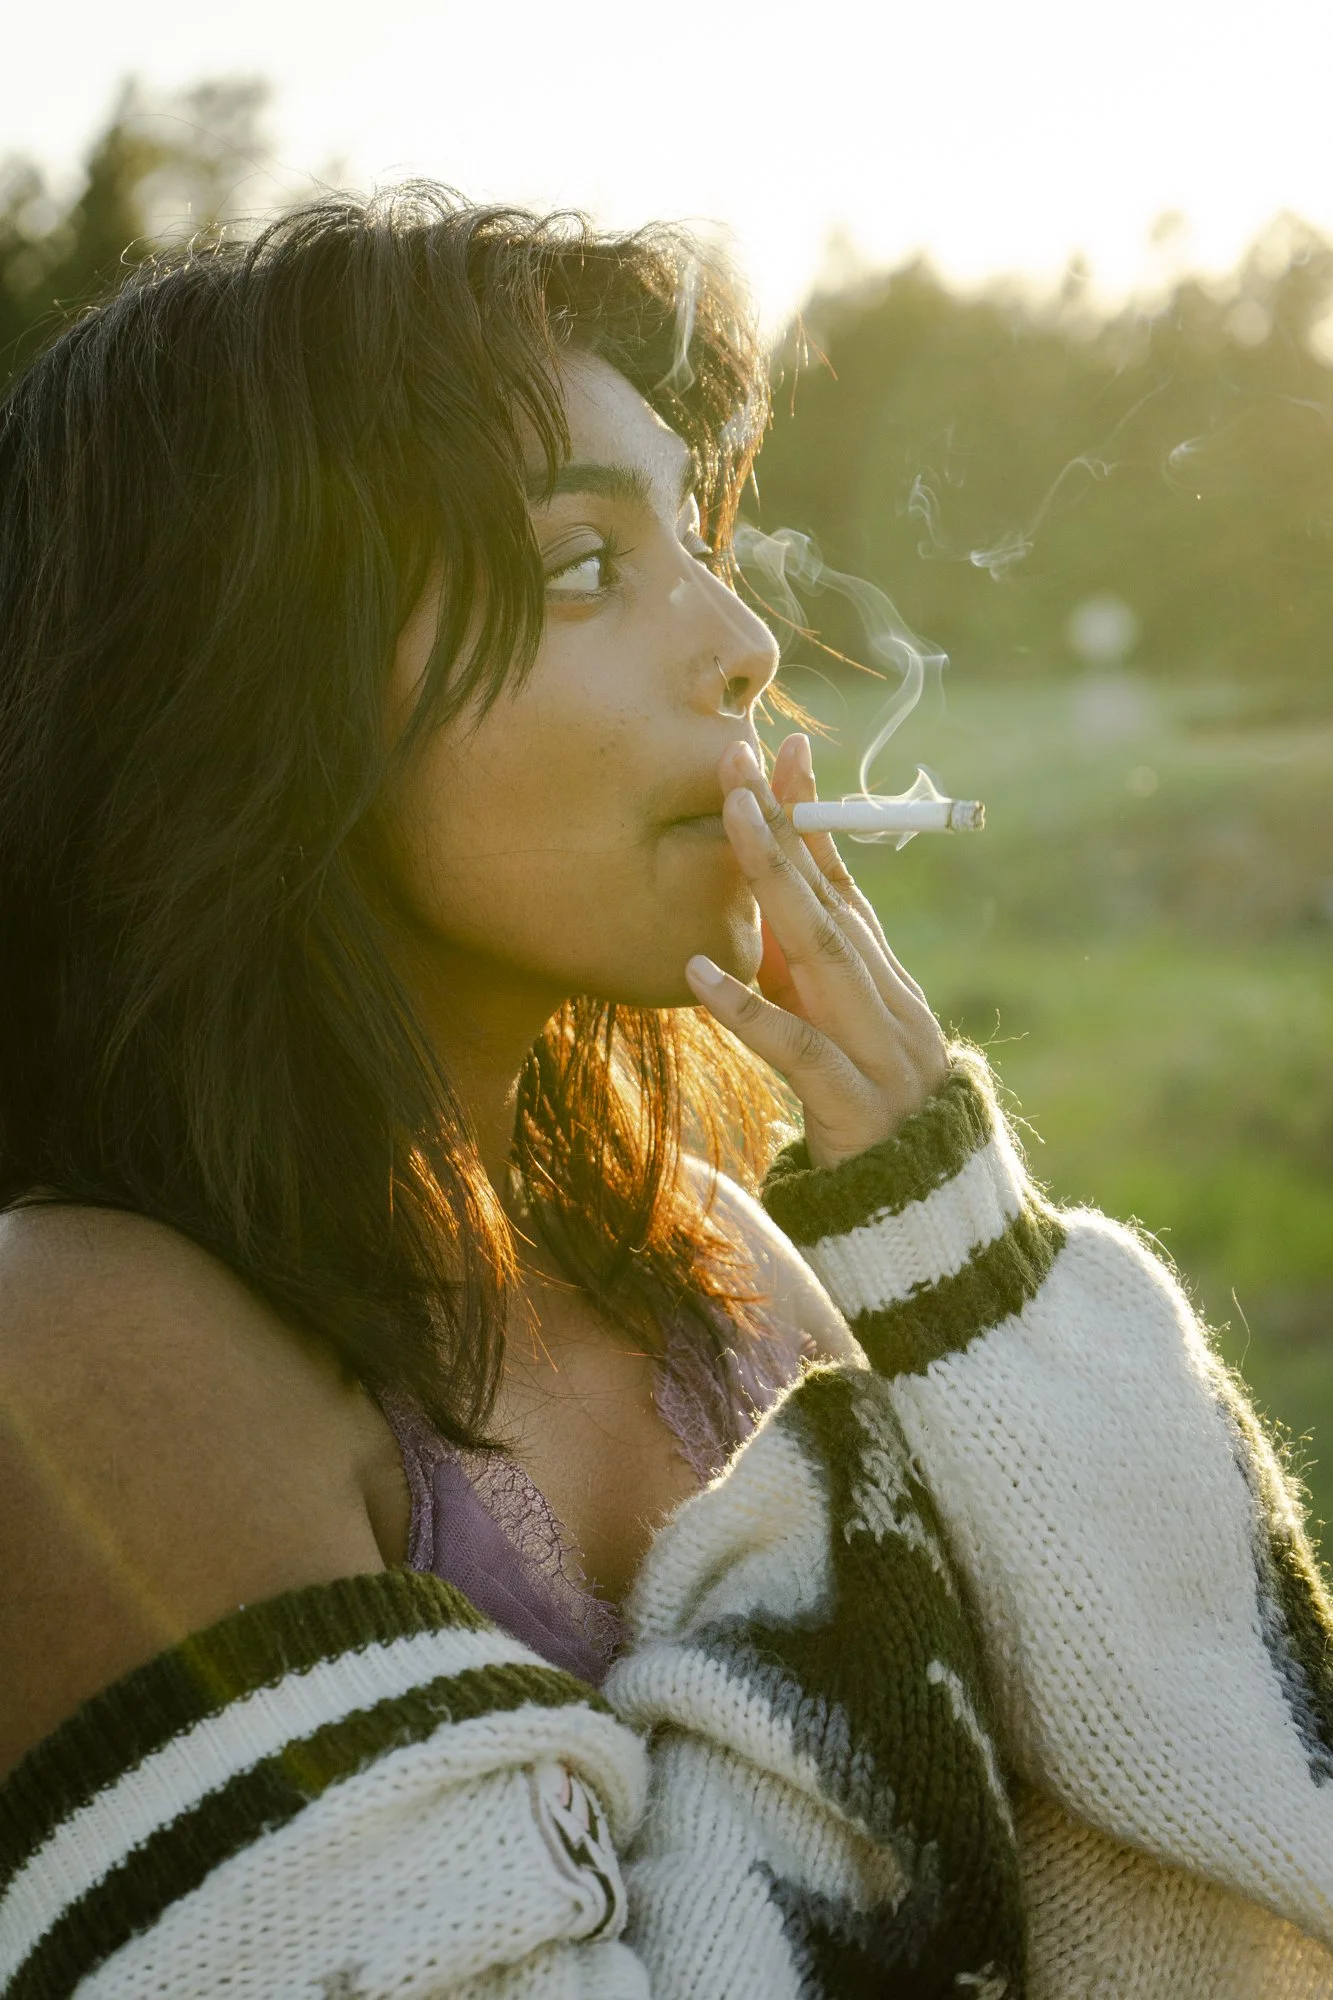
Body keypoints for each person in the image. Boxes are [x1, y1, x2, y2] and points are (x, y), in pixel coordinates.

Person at [0, 188, 1328, 1999]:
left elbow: (1207, 1824)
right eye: (577, 566)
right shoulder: (85, 1357)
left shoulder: (710, 1264)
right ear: (248, 686)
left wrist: (968, 1260)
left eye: (701, 539)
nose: (744, 643)